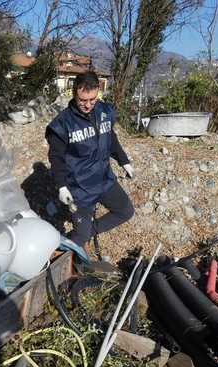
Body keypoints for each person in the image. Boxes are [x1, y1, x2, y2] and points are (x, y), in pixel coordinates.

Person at [45, 70, 135, 256]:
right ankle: (64, 256)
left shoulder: (104, 111)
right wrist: (61, 186)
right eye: (82, 100)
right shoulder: (62, 124)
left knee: (125, 211)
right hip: (80, 187)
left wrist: (123, 161)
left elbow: (110, 139)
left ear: (97, 93)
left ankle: (86, 233)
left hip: (104, 180)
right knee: (80, 238)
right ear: (74, 93)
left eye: (92, 100)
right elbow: (56, 158)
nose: (87, 105)